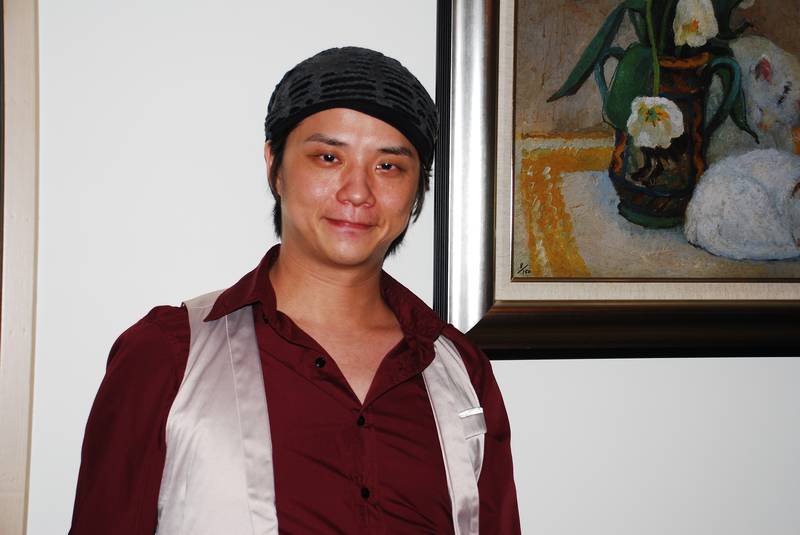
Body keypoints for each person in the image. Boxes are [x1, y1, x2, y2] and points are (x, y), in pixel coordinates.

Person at [69, 46, 521, 534]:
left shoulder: (460, 371)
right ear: (275, 166)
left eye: (388, 166)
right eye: (328, 157)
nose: (357, 192)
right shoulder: (167, 355)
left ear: (417, 191)